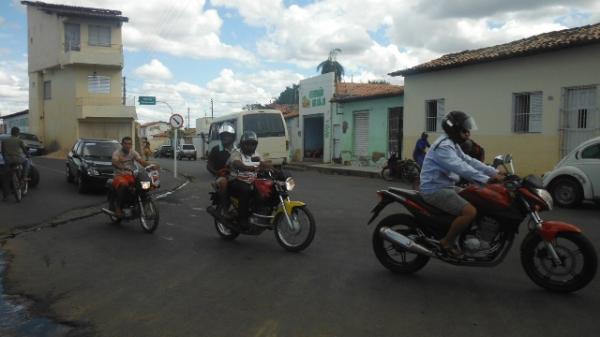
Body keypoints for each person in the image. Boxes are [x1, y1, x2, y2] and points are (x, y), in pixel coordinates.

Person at [419, 111, 505, 258]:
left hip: (447, 186)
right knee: (469, 212)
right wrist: (486, 179)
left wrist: (493, 172)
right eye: (465, 129)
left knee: (479, 198)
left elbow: (469, 161)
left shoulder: (452, 143)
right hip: (435, 189)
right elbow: (460, 167)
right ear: (454, 129)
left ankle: (469, 234)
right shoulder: (444, 146)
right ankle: (446, 242)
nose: (468, 132)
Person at [227, 130, 271, 229]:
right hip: (235, 180)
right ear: (242, 145)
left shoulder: (256, 154)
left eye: (252, 144)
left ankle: (260, 213)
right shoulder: (237, 152)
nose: (250, 147)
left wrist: (273, 169)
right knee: (246, 190)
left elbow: (263, 163)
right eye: (247, 144)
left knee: (264, 188)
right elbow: (237, 163)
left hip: (251, 180)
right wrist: (248, 167)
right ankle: (242, 219)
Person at [111, 136, 152, 218]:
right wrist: (122, 167)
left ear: (131, 145)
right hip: (120, 176)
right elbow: (114, 162)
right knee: (124, 186)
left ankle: (140, 202)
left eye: (129, 144)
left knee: (144, 185)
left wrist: (151, 165)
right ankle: (118, 207)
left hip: (131, 175)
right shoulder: (117, 153)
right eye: (125, 143)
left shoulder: (133, 152)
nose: (127, 145)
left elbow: (141, 161)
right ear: (122, 144)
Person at [207, 123, 236, 219]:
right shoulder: (216, 149)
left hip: (238, 176)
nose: (225, 137)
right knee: (223, 182)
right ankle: (225, 209)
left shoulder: (238, 149)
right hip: (222, 177)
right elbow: (209, 165)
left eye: (228, 135)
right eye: (223, 136)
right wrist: (216, 172)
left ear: (233, 137)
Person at [1, 127, 30, 200]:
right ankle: (24, 177)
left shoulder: (4, 141)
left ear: (11, 132)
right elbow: (24, 150)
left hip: (8, 161)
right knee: (26, 161)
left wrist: (5, 159)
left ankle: (5, 196)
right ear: (17, 133)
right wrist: (28, 155)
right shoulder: (19, 140)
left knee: (5, 178)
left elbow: (3, 152)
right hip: (18, 159)